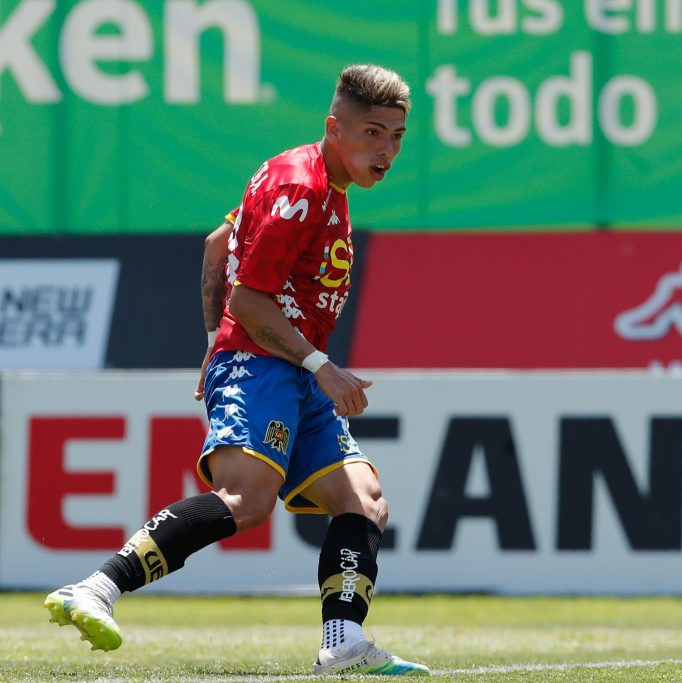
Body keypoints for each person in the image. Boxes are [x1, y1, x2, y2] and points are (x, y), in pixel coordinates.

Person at [44, 64, 428, 677]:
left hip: (288, 368)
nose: (387, 151)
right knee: (247, 502)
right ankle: (97, 588)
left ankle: (343, 639)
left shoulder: (312, 179)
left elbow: (217, 245)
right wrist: (313, 363)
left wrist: (210, 341)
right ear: (336, 127)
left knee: (363, 500)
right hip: (266, 365)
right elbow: (249, 298)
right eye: (373, 133)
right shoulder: (302, 190)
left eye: (398, 136)